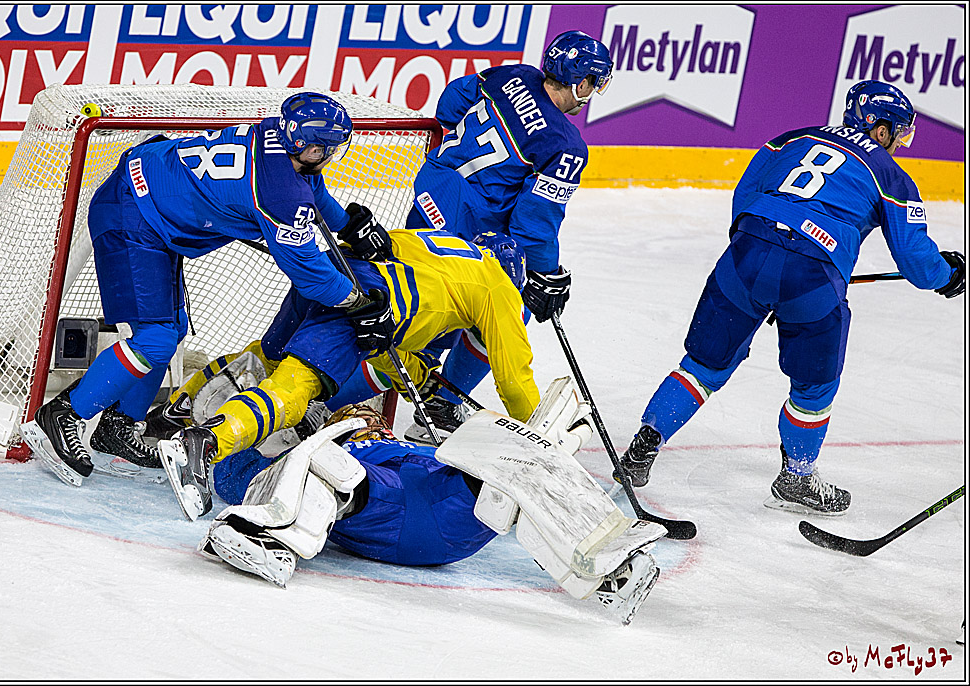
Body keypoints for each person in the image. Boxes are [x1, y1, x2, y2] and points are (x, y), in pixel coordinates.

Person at [615, 80, 964, 515]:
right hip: (811, 278)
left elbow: (746, 193)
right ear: (879, 129)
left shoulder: (791, 138)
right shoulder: (893, 176)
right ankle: (797, 476)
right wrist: (949, 275)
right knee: (815, 385)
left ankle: (642, 447)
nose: (901, 143)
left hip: (745, 253)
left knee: (702, 366)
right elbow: (916, 262)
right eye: (900, 132)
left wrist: (760, 251)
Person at [21, 92, 396, 488]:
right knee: (154, 340)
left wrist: (345, 222)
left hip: (152, 201)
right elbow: (310, 274)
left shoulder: (277, 138)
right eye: (327, 147)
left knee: (171, 333)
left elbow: (309, 187)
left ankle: (119, 425)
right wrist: (356, 301)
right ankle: (64, 414)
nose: (331, 154)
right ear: (304, 144)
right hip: (132, 216)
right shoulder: (281, 194)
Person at [197, 381, 668, 625]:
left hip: (453, 516)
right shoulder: (322, 451)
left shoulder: (398, 446)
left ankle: (611, 565)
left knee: (520, 463)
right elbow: (236, 473)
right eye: (353, 412)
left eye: (365, 413)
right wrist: (238, 449)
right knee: (331, 470)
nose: (364, 415)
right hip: (405, 514)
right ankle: (265, 535)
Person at [157, 228, 541, 521]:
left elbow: (388, 332)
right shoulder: (500, 286)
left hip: (328, 274)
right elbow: (514, 380)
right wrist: (539, 442)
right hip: (365, 304)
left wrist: (419, 380)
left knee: (265, 360)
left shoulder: (442, 247)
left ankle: (178, 411)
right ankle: (205, 444)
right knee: (293, 389)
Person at [395, 30, 614, 442]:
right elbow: (536, 220)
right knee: (503, 307)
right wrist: (544, 273)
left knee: (404, 302)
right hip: (465, 230)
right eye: (595, 82)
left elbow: (452, 99)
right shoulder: (565, 145)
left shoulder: (513, 75)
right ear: (581, 83)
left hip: (431, 194)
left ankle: (362, 386)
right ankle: (441, 403)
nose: (594, 92)